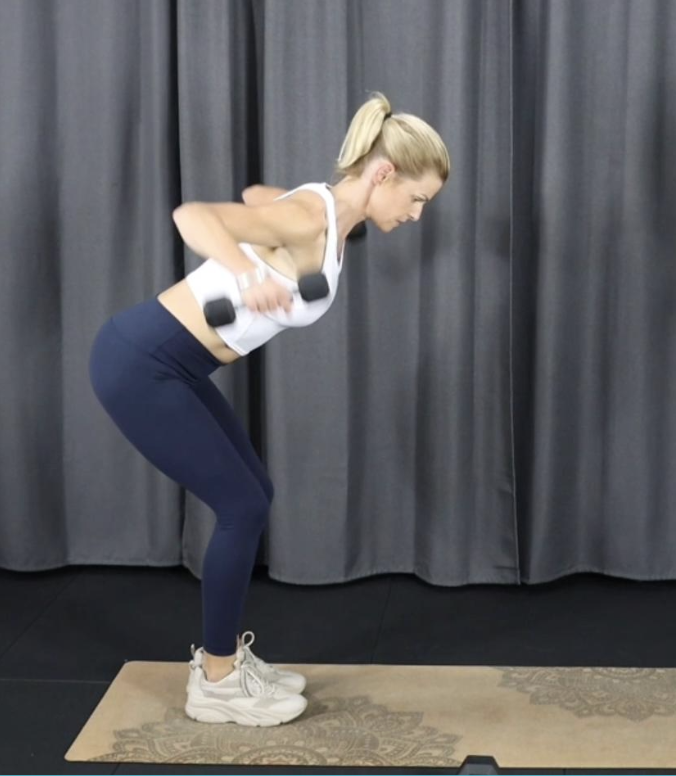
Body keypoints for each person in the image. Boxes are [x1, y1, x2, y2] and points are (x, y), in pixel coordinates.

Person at [89, 93, 449, 726]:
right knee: (242, 504)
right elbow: (193, 215)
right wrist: (243, 270)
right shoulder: (314, 215)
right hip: (141, 364)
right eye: (417, 199)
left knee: (255, 489)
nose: (417, 215)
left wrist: (265, 211)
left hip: (175, 365)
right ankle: (218, 681)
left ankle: (225, 662)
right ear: (384, 173)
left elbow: (256, 196)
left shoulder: (325, 214)